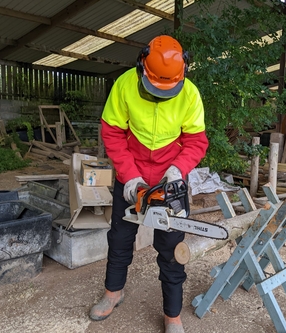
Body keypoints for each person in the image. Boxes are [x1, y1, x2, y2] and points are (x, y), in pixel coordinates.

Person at [89, 35, 209, 333]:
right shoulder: (125, 85)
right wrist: (129, 175)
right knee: (119, 238)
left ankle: (172, 315)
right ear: (142, 68)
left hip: (169, 178)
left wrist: (178, 170)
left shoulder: (190, 94)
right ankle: (113, 292)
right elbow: (112, 132)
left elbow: (196, 141)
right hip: (133, 174)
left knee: (171, 249)